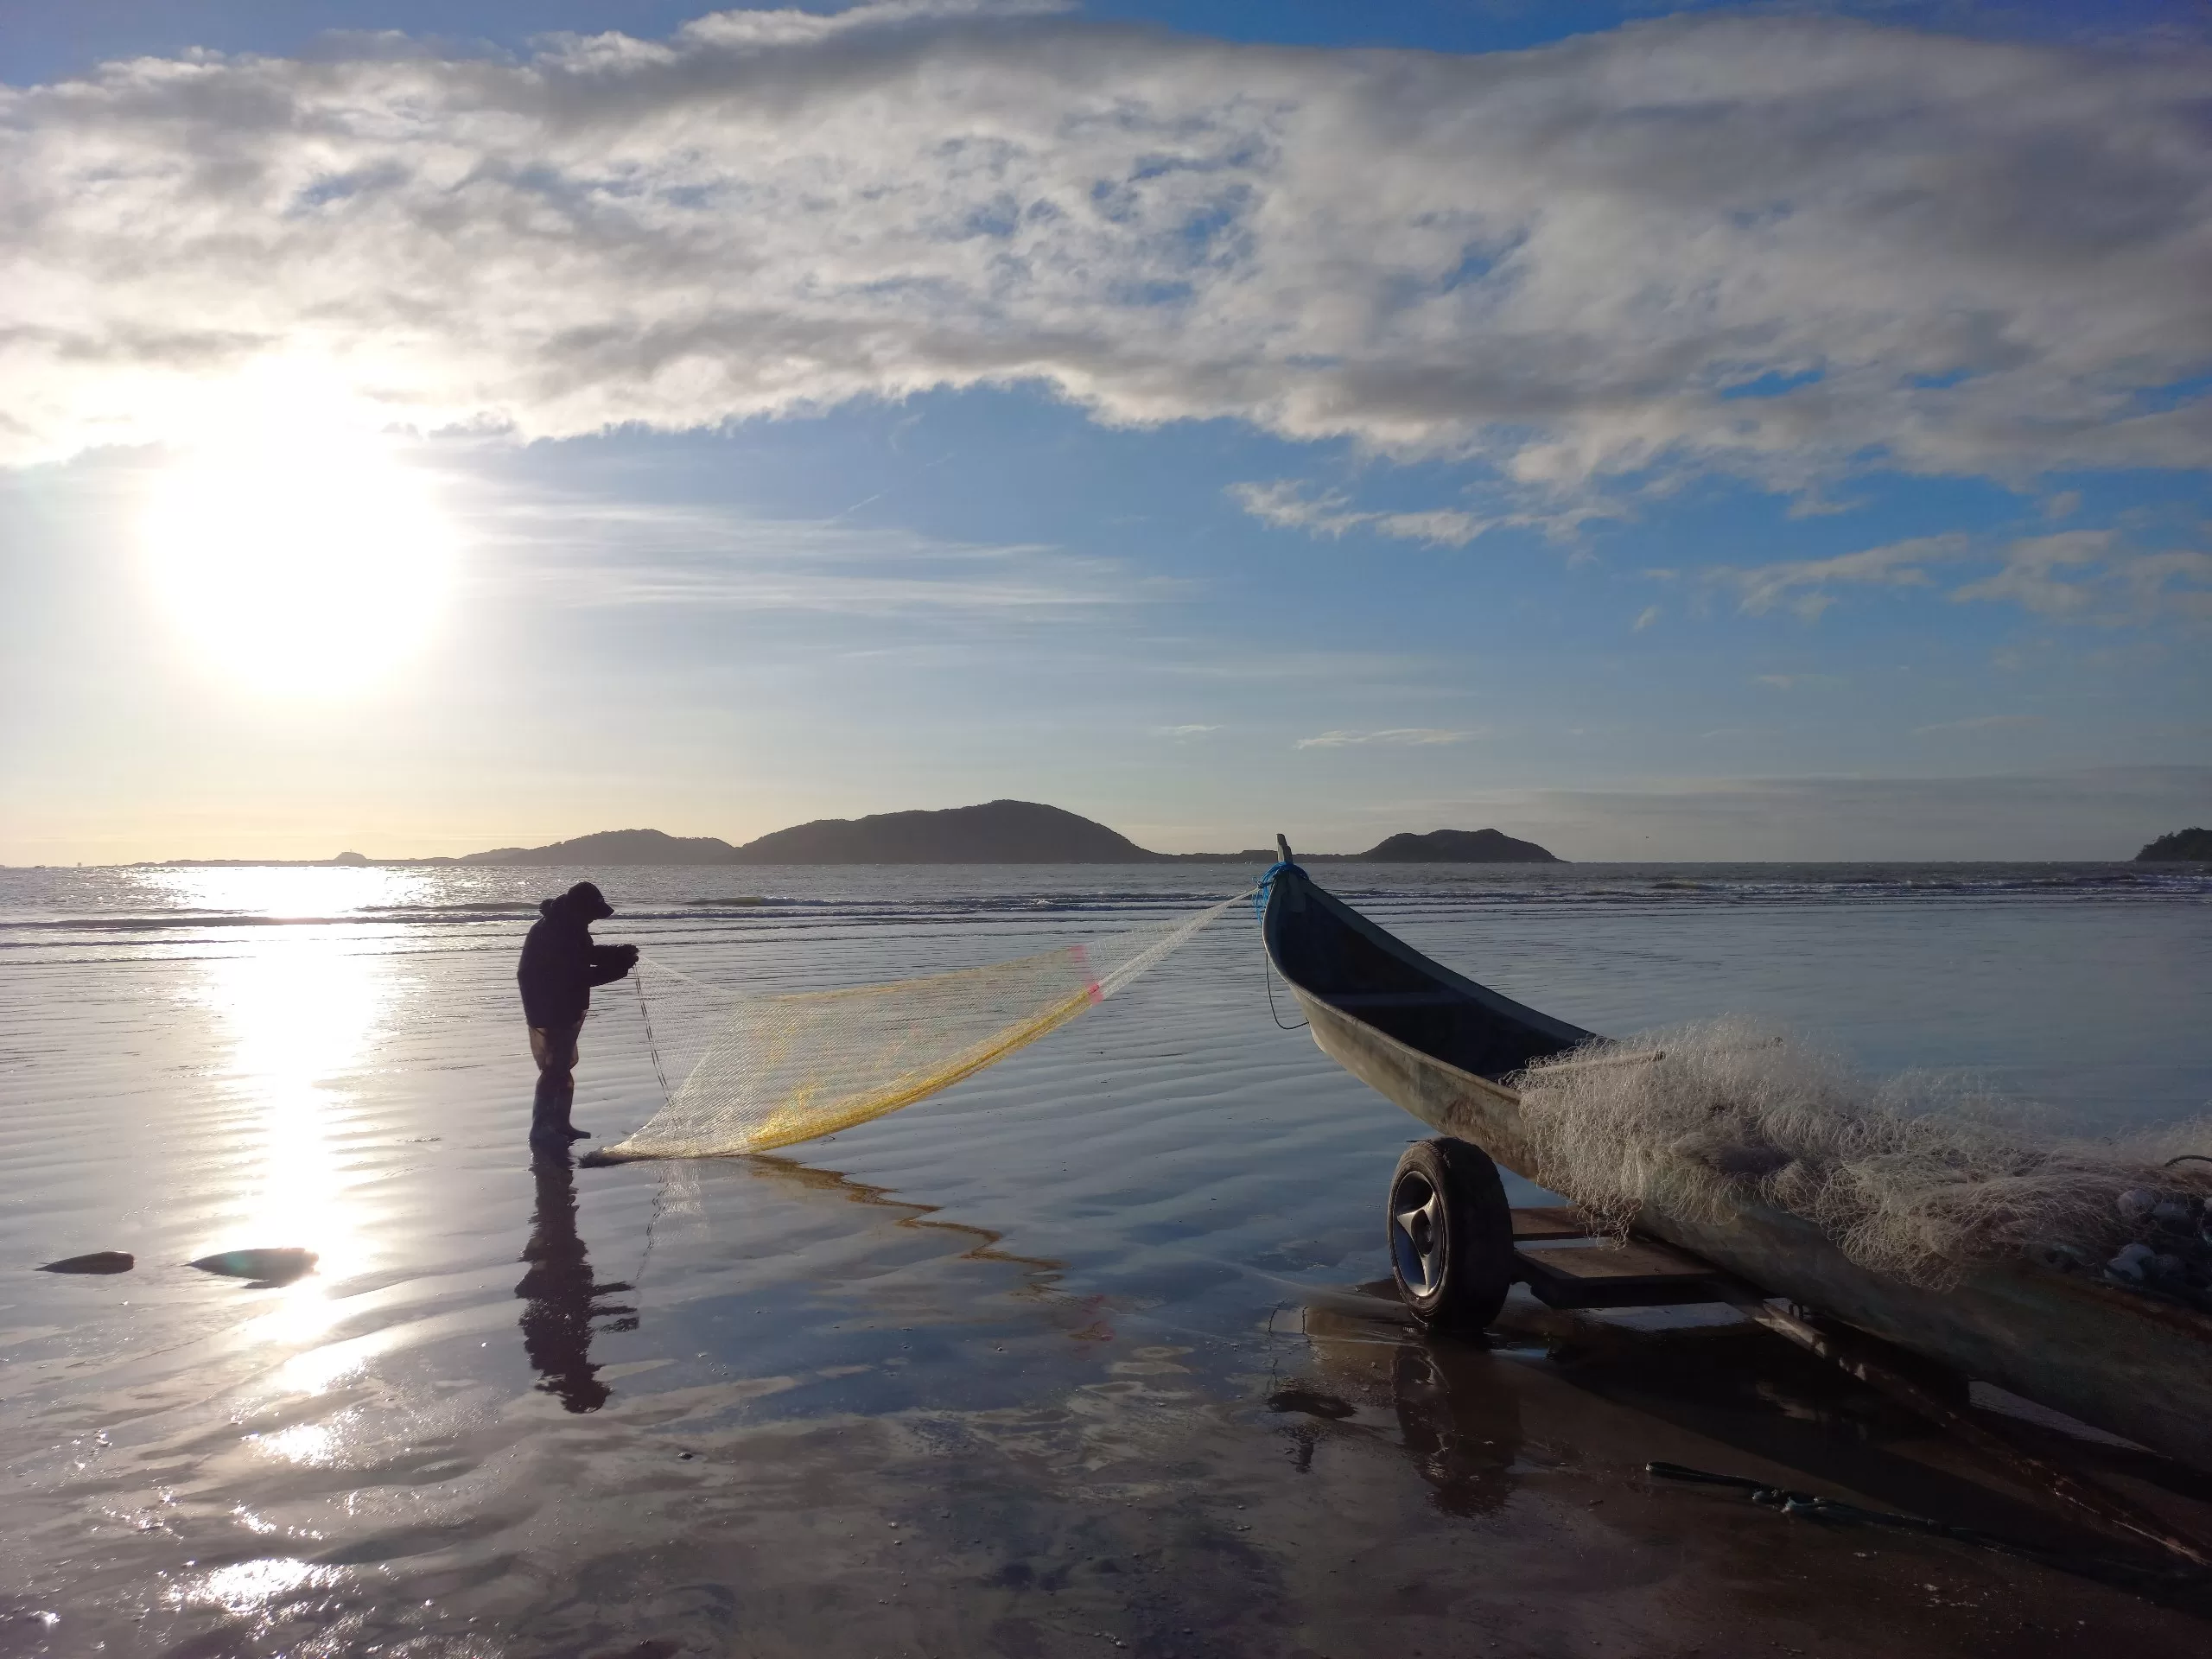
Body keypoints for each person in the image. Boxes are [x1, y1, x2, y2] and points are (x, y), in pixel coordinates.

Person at [518, 880, 639, 1146]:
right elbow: (574, 975)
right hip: (548, 1001)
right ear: (580, 909)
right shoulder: (555, 931)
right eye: (591, 914)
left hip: (562, 999)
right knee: (555, 1067)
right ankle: (540, 1127)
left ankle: (561, 1124)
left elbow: (584, 955)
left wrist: (618, 953)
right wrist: (617, 970)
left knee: (562, 1064)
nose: (593, 919)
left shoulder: (570, 924)